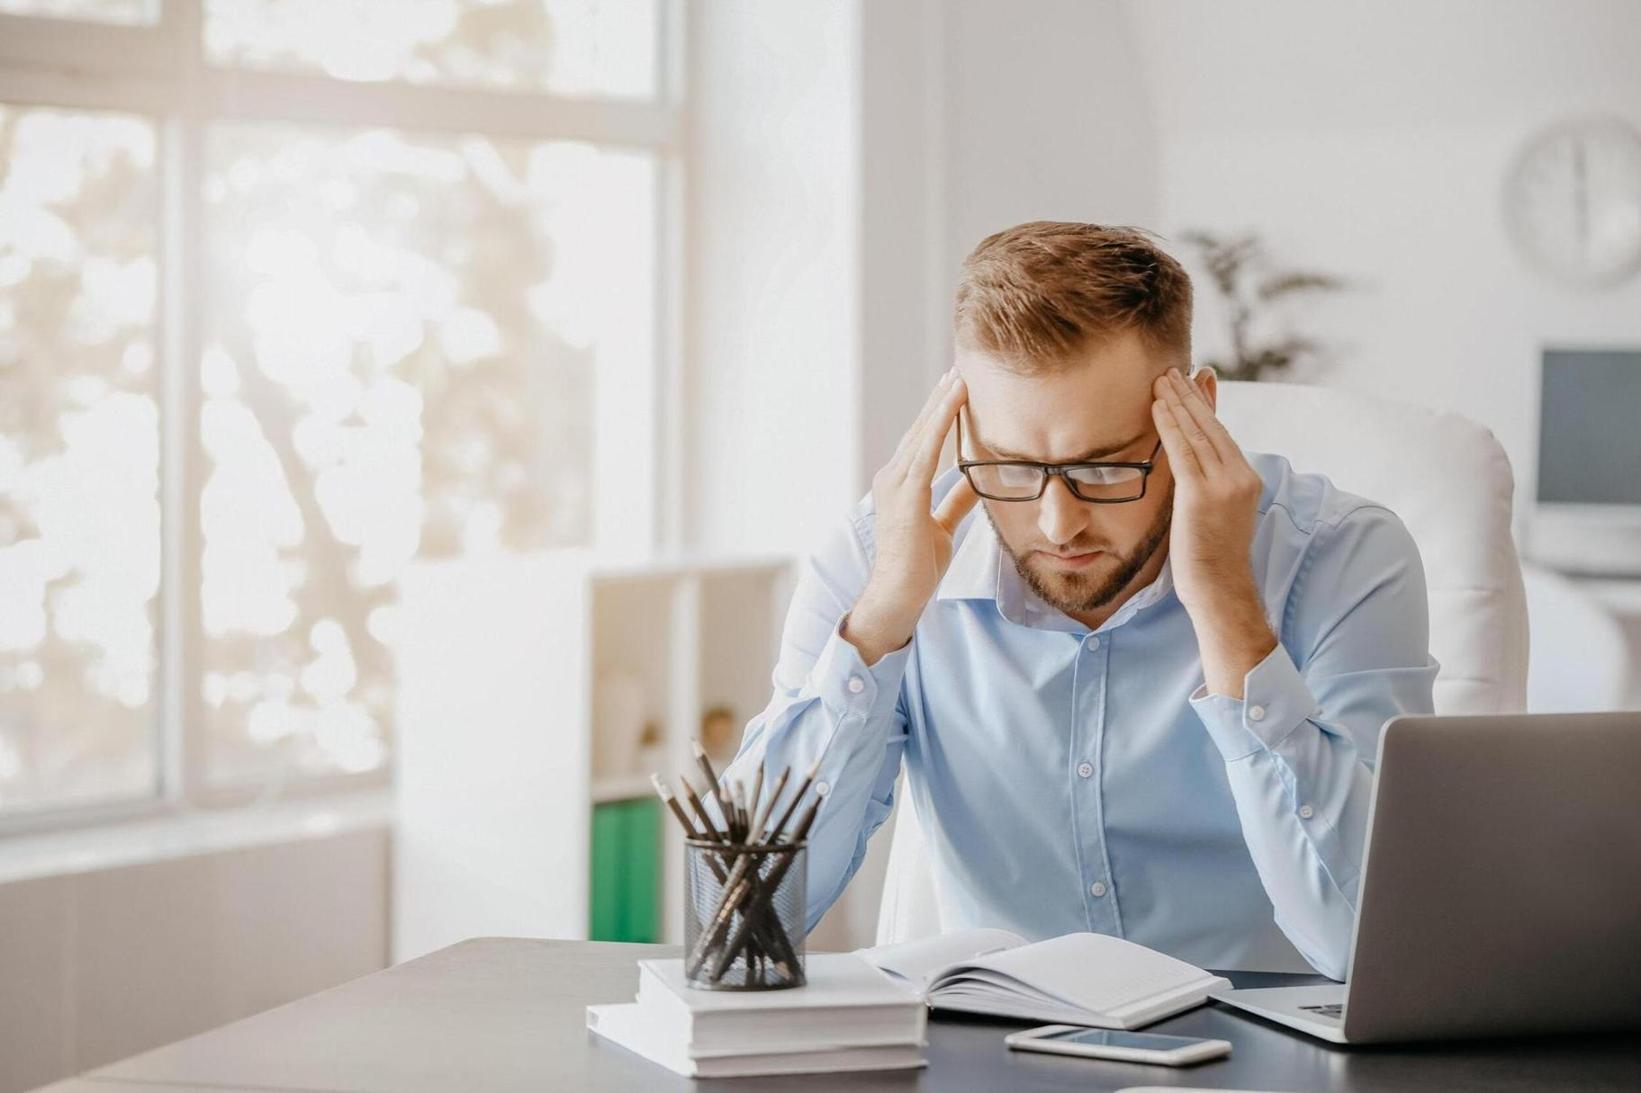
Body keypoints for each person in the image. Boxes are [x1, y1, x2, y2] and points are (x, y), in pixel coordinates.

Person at [725, 222, 1438, 978]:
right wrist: (879, 625)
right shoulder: (881, 557)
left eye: (1103, 469)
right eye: (1010, 466)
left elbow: (1367, 943)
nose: (1057, 524)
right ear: (962, 429)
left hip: (1262, 1039)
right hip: (994, 1038)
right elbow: (738, 920)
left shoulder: (1341, 556)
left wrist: (1227, 604)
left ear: (1196, 412)